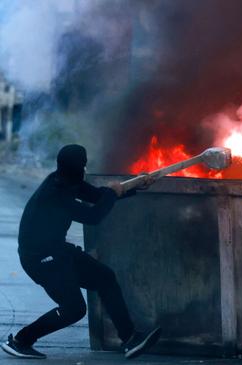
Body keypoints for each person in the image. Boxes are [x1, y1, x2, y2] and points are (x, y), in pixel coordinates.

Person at [1, 144, 160, 360]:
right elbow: (93, 217)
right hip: (41, 260)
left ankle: (129, 338)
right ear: (82, 167)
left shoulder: (66, 180)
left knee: (105, 277)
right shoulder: (55, 193)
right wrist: (113, 193)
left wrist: (135, 186)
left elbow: (97, 196)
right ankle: (21, 340)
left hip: (58, 251)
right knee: (73, 309)